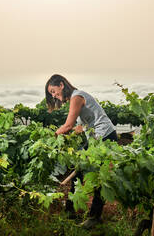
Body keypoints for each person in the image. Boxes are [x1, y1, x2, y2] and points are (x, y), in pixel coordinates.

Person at [45, 74, 118, 229]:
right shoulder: (76, 97)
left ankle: (94, 217)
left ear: (61, 85)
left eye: (53, 90)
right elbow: (79, 128)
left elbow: (68, 125)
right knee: (77, 170)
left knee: (99, 176)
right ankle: (70, 210)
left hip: (105, 136)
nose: (53, 95)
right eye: (51, 93)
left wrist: (52, 137)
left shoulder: (77, 97)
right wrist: (67, 137)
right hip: (98, 138)